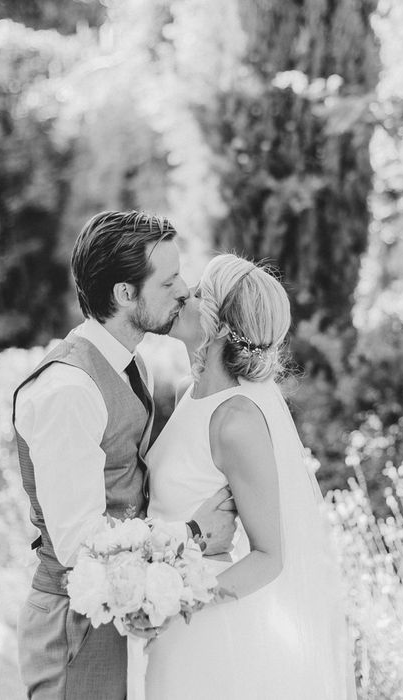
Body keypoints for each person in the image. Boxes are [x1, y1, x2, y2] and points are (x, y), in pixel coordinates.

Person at [12, 211, 237, 700]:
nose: (186, 290)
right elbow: (79, 544)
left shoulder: (133, 364)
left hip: (110, 609)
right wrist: (193, 534)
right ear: (124, 294)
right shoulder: (69, 390)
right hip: (70, 623)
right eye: (170, 280)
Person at [144, 253, 357, 699]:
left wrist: (177, 599)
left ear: (220, 326)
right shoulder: (189, 392)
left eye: (200, 293)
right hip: (162, 615)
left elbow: (269, 556)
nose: (185, 294)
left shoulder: (237, 419)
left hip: (199, 629)